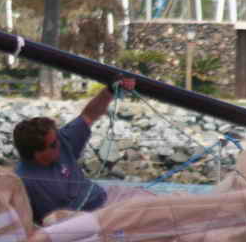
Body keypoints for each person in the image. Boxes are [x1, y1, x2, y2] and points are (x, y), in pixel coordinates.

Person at [13, 77, 149, 224]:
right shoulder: (24, 182)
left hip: (103, 196)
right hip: (89, 219)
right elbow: (46, 223)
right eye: (53, 145)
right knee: (147, 214)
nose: (59, 144)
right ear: (36, 153)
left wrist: (110, 90)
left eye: (57, 139)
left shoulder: (60, 140)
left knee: (151, 200)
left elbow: (89, 115)